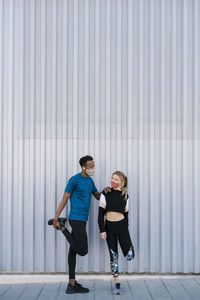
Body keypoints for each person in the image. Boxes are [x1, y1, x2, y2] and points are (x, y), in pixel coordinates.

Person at [48, 155, 110, 294]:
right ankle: (62, 227)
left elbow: (96, 195)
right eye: (90, 166)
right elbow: (65, 198)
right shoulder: (74, 180)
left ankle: (72, 284)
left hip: (83, 219)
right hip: (76, 219)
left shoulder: (90, 181)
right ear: (83, 167)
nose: (93, 168)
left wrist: (105, 192)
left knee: (73, 251)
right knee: (83, 251)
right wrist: (56, 217)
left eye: (93, 165)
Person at [98, 171, 135, 295]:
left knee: (129, 256)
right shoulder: (105, 193)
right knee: (113, 256)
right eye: (112, 178)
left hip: (122, 227)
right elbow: (100, 214)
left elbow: (127, 215)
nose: (113, 181)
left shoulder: (126, 196)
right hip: (109, 228)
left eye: (116, 179)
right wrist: (102, 230)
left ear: (122, 182)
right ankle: (117, 282)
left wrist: (126, 231)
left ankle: (130, 247)